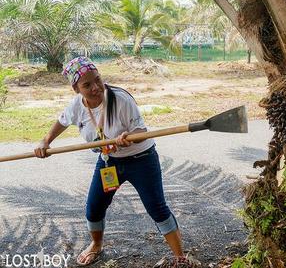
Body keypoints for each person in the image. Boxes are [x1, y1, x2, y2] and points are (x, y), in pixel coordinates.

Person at [34, 57, 199, 267]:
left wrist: (128, 136)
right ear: (76, 89)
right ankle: (96, 245)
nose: (95, 87)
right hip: (108, 162)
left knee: (157, 208)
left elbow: (141, 131)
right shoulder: (77, 105)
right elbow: (62, 121)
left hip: (141, 159)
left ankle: (180, 257)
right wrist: (46, 141)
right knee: (94, 207)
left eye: (97, 79)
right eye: (87, 85)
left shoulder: (120, 99)